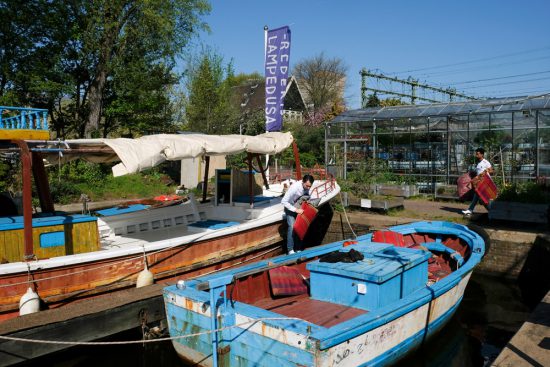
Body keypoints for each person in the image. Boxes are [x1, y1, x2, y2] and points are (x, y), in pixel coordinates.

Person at [281, 174, 314, 254]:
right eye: (307, 186)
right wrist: (296, 210)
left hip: (299, 207)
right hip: (290, 207)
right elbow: (283, 201)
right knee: (292, 227)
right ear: (303, 182)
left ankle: (298, 248)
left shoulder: (307, 186)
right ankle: (290, 249)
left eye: (310, 186)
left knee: (301, 226)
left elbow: (306, 196)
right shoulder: (294, 188)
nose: (308, 188)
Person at [462, 148, 493, 215]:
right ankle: (471, 210)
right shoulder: (478, 163)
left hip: (485, 182)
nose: (476, 155)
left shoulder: (486, 162)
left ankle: (491, 210)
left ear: (482, 154)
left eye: (477, 154)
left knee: (483, 198)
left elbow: (491, 170)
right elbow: (478, 172)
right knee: (477, 196)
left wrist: (486, 171)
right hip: (479, 182)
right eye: (476, 154)